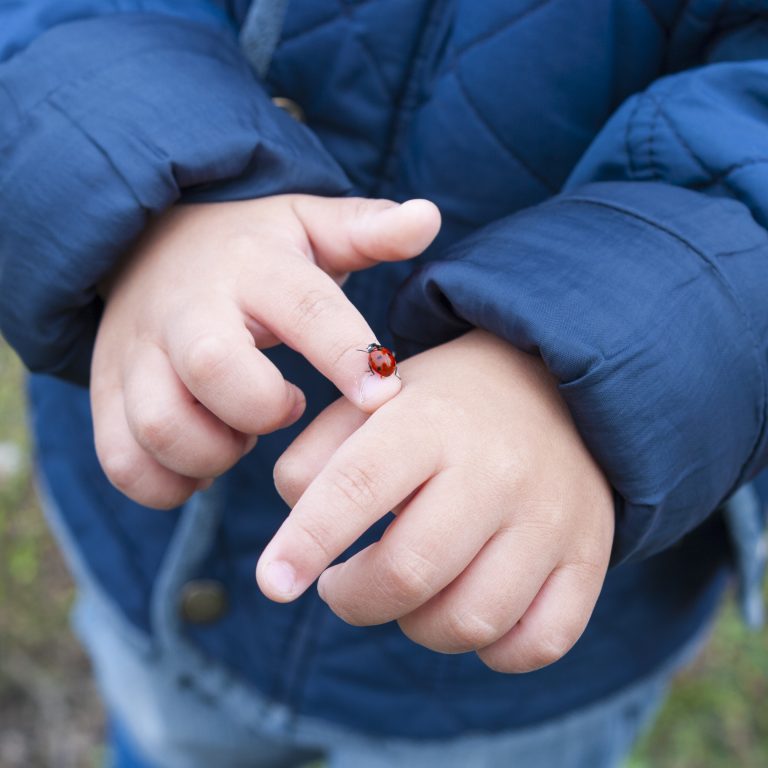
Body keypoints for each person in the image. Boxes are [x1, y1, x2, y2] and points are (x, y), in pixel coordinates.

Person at [1, 1, 767, 766]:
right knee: (162, 731)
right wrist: (153, 188)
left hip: (506, 677)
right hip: (160, 568)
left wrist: (589, 367)